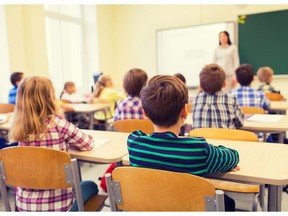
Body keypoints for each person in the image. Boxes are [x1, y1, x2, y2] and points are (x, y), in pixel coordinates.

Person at [128, 74, 240, 211]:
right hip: (189, 208)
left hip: (152, 207)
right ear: (185, 111)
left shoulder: (134, 143)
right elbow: (233, 157)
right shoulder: (198, 149)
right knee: (228, 203)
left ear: (144, 113)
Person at [8, 76, 99, 211]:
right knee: (91, 185)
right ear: (50, 98)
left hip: (24, 206)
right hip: (60, 207)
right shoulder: (57, 123)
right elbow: (88, 144)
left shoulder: (18, 127)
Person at [192, 64, 244, 129]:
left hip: (200, 139)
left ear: (200, 85)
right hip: (225, 138)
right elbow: (240, 123)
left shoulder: (196, 99)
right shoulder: (231, 99)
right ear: (224, 84)